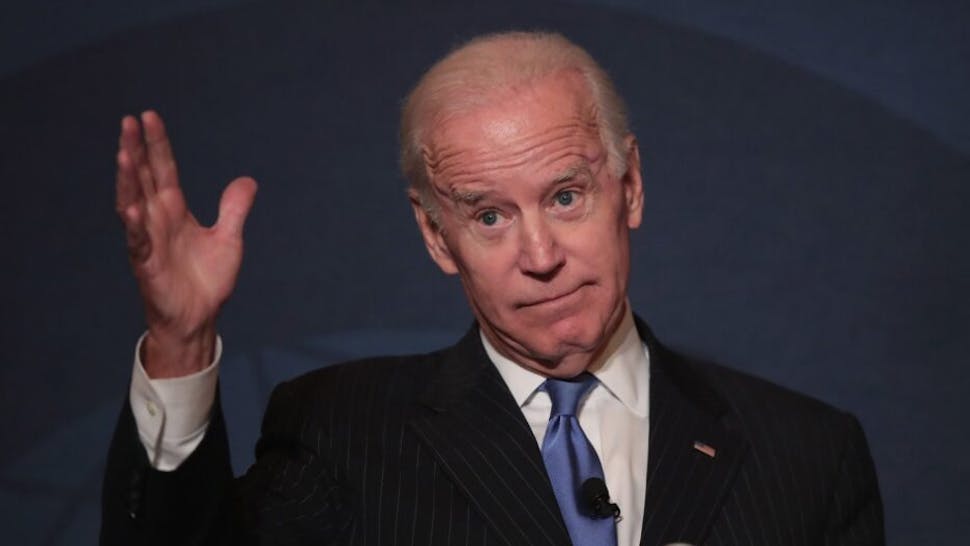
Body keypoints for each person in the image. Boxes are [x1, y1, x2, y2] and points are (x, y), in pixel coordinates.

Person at [101, 31, 885, 545]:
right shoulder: (339, 434)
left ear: (631, 185)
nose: (539, 255)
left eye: (566, 197)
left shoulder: (808, 456)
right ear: (436, 234)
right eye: (488, 216)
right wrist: (182, 342)